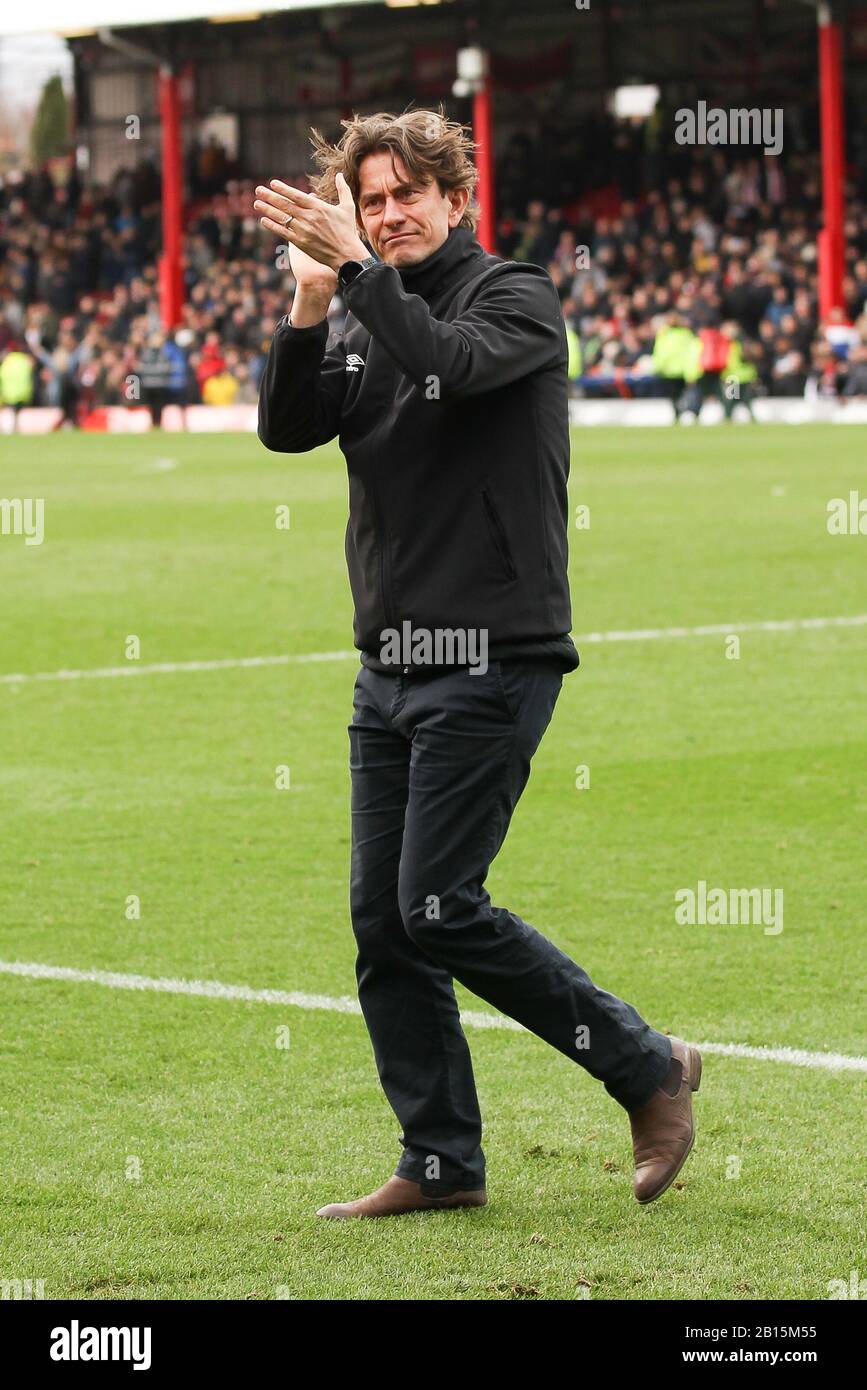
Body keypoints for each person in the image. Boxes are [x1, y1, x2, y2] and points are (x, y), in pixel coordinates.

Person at [255, 107, 702, 1220]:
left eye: (409, 192)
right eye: (371, 198)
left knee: (441, 904)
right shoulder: (361, 305)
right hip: (391, 662)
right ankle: (442, 1160)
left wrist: (360, 275)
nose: (389, 211)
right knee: (383, 920)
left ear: (456, 197)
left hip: (494, 651)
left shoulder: (518, 295)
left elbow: (445, 363)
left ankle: (647, 1067)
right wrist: (314, 302)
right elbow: (289, 427)